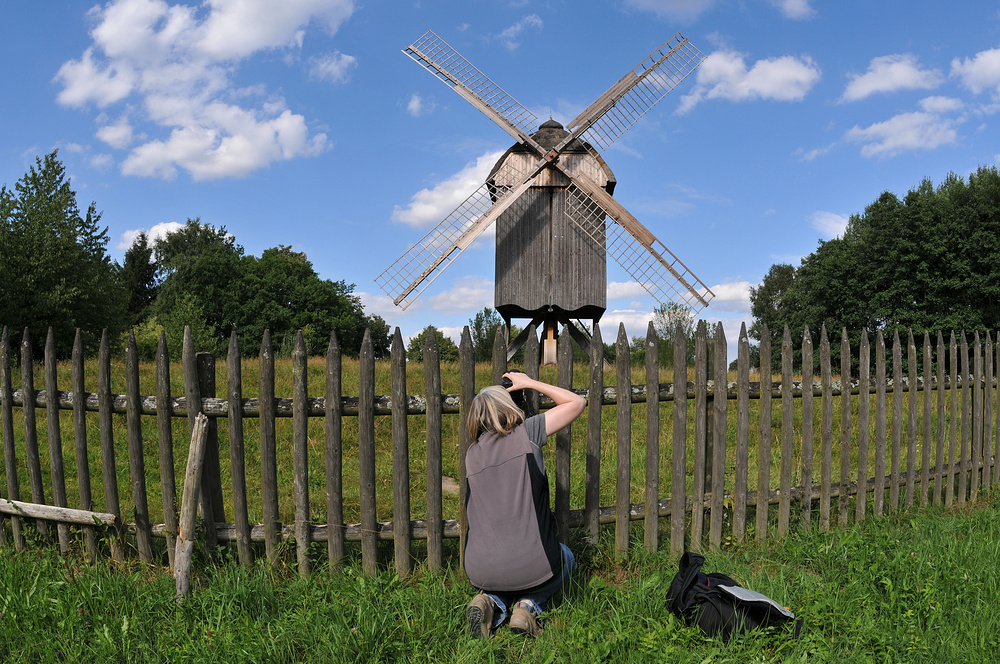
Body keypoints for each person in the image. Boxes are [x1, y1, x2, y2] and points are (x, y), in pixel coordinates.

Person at [463, 371, 587, 638]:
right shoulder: (527, 434)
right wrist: (529, 383)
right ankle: (528, 607)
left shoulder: (471, 456)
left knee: (505, 574)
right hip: (535, 563)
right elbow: (576, 403)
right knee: (568, 560)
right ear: (507, 408)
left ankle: (491, 601)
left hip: (479, 569)